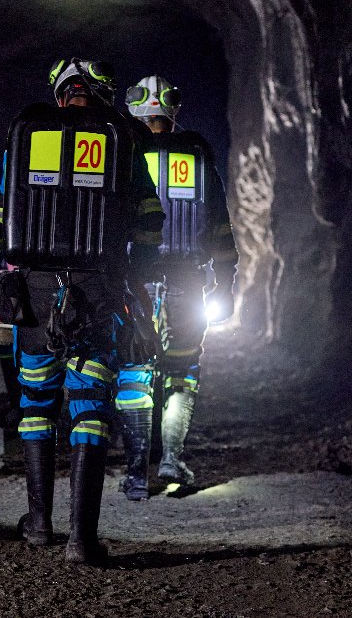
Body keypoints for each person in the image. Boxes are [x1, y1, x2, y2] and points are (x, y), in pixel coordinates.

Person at [0, 58, 164, 565]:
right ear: (102, 95)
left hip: (32, 293)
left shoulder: (26, 138)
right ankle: (81, 539)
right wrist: (135, 280)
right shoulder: (121, 140)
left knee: (35, 404)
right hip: (99, 291)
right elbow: (149, 220)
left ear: (59, 94)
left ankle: (38, 524)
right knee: (90, 407)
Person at [114, 75, 238, 500]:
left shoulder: (123, 154)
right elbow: (220, 226)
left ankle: (136, 474)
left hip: (136, 281)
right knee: (182, 370)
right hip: (188, 280)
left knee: (134, 370)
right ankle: (170, 459)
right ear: (173, 111)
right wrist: (226, 282)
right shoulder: (199, 157)